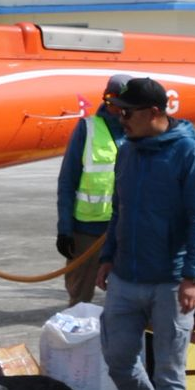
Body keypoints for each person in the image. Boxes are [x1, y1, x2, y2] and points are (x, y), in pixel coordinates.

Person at [95, 76, 195, 390]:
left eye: (126, 113)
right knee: (117, 359)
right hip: (127, 277)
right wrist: (108, 257)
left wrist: (193, 276)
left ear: (154, 113)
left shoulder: (189, 155)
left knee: (168, 370)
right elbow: (120, 211)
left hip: (170, 281)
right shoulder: (128, 152)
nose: (120, 119)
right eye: (117, 112)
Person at [54, 76, 131, 305]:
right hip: (87, 231)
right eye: (112, 103)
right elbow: (67, 181)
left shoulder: (141, 132)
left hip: (125, 232)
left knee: (128, 300)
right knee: (79, 298)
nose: (118, 110)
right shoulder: (88, 129)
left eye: (124, 105)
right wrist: (65, 230)